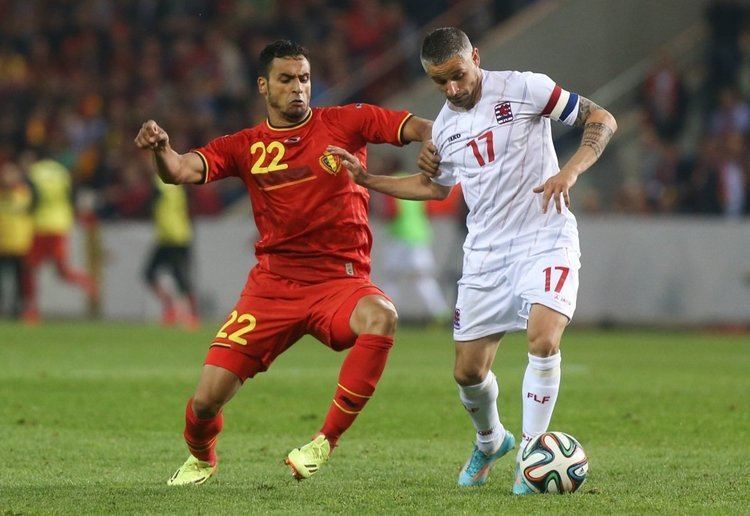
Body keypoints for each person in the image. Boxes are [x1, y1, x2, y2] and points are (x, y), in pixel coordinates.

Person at [327, 27, 617, 494]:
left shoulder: (525, 88)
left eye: (458, 75)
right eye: (440, 82)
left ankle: (530, 452)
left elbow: (601, 117)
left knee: (543, 339)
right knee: (467, 372)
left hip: (545, 234)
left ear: (476, 57)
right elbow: (435, 187)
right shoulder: (444, 127)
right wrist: (368, 179)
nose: (453, 89)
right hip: (484, 252)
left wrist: (569, 171)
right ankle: (490, 441)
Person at [134, 40, 434, 485]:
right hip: (272, 287)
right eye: (286, 79)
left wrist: (435, 147)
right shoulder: (245, 146)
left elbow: (425, 127)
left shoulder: (347, 121)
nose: (298, 88)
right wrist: (160, 149)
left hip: (340, 281)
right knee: (204, 403)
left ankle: (323, 442)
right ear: (263, 86)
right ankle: (202, 458)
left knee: (382, 316)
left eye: (305, 78)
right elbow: (178, 171)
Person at [23, 155, 97, 323]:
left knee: (30, 269)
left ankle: (31, 311)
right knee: (62, 271)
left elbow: (34, 199)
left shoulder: (35, 172)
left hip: (41, 225)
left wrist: (26, 211)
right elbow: (71, 196)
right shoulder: (62, 172)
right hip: (60, 225)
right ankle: (86, 281)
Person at [143, 178, 200, 328]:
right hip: (174, 236)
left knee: (176, 277)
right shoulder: (178, 184)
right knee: (174, 276)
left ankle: (190, 315)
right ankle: (175, 311)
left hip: (172, 238)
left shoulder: (160, 185)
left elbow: (148, 207)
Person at [0, 161, 34, 318]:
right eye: (5, 173)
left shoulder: (25, 193)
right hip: (2, 244)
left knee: (21, 280)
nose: (7, 177)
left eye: (10, 173)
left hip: (21, 244)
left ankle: (19, 310)